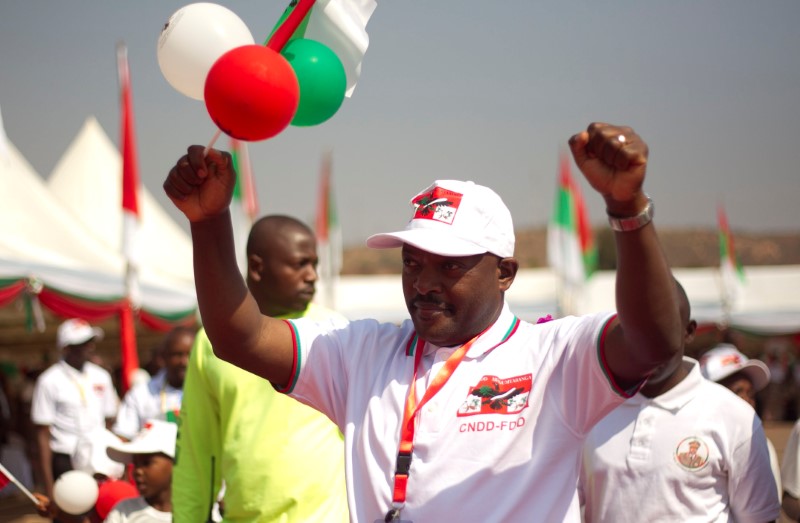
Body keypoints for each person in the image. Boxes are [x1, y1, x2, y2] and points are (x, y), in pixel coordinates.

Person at [164, 122, 684, 521]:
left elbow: (653, 342)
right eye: (412, 262)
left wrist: (627, 209)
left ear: (504, 273)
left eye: (450, 266)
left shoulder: (554, 357)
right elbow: (242, 337)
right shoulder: (361, 351)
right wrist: (209, 223)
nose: (424, 282)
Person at [172, 215, 349, 522]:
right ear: (257, 267)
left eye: (315, 264)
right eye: (300, 264)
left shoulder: (338, 331)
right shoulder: (212, 343)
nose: (312, 276)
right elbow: (196, 451)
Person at [579, 283, 780, 522]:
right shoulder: (589, 411)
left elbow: (760, 518)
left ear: (689, 331)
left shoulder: (736, 417)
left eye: (663, 330)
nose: (649, 346)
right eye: (637, 330)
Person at [31, 318, 118, 500]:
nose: (89, 347)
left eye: (90, 342)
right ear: (66, 348)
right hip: (65, 460)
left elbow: (110, 422)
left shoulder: (101, 376)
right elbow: (42, 435)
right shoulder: (49, 380)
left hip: (98, 458)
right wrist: (49, 487)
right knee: (69, 515)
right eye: (82, 343)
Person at [699, 342, 783, 502]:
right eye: (737, 392)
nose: (747, 400)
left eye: (750, 393)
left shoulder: (761, 444)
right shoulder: (687, 443)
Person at [113, 326, 196, 440]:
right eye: (177, 354)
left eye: (190, 354)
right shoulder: (141, 394)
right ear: (164, 356)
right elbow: (124, 435)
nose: (184, 361)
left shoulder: (210, 391)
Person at [105, 419, 177, 522]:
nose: (137, 471)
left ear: (175, 463)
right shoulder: (124, 511)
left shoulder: (199, 514)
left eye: (147, 463)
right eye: (135, 464)